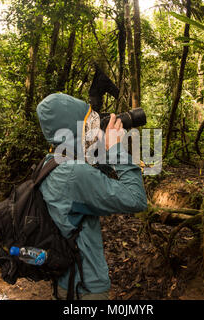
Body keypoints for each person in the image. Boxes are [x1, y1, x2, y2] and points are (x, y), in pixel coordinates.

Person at [36, 93, 148, 300]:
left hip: (64, 281)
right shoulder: (74, 173)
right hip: (86, 288)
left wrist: (100, 149)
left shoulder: (49, 163)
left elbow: (91, 180)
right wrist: (115, 148)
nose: (93, 130)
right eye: (88, 124)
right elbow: (137, 199)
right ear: (74, 129)